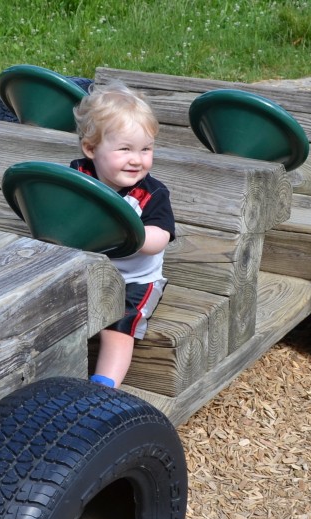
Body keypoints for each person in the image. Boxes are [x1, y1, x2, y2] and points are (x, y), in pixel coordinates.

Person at [71, 80, 175, 389]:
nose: (137, 159)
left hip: (133, 279)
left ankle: (104, 386)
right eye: (125, 149)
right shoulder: (78, 178)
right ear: (90, 149)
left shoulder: (150, 194)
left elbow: (162, 236)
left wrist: (137, 234)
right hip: (86, 268)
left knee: (118, 327)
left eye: (146, 149)